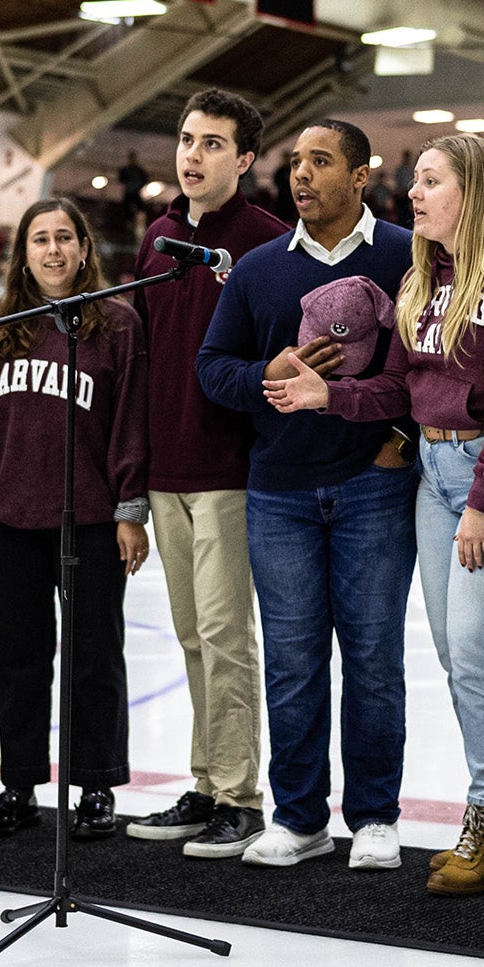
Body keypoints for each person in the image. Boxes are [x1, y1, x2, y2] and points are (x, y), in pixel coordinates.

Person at [280, 134, 484, 898]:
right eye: (417, 181)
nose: (414, 193)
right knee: (457, 653)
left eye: (431, 181)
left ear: (472, 190)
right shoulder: (425, 276)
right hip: (432, 474)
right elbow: (400, 389)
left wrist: (481, 499)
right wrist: (327, 396)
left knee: (476, 650)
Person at [197, 119, 416, 872]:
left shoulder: (406, 255)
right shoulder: (259, 269)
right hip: (280, 494)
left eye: (320, 162)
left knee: (374, 657)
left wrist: (405, 442)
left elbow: (437, 367)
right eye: (296, 163)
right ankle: (298, 817)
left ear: (361, 176)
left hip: (373, 489)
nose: (302, 175)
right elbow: (211, 367)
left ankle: (376, 815)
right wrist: (269, 372)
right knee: (292, 662)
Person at [0, 198, 149, 843]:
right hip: (11, 517)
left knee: (95, 654)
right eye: (40, 239)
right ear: (23, 253)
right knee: (20, 657)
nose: (54, 250)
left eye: (66, 238)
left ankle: (95, 784)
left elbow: (129, 422)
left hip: (90, 518)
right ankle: (20, 783)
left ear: (85, 249)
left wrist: (129, 509)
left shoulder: (116, 324)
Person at [128, 91, 289, 858]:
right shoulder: (157, 239)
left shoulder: (267, 244)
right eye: (187, 140)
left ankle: (240, 796)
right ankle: (205, 782)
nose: (193, 156)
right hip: (166, 469)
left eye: (213, 144)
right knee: (192, 635)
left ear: (246, 159)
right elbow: (143, 359)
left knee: (227, 634)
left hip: (230, 468)